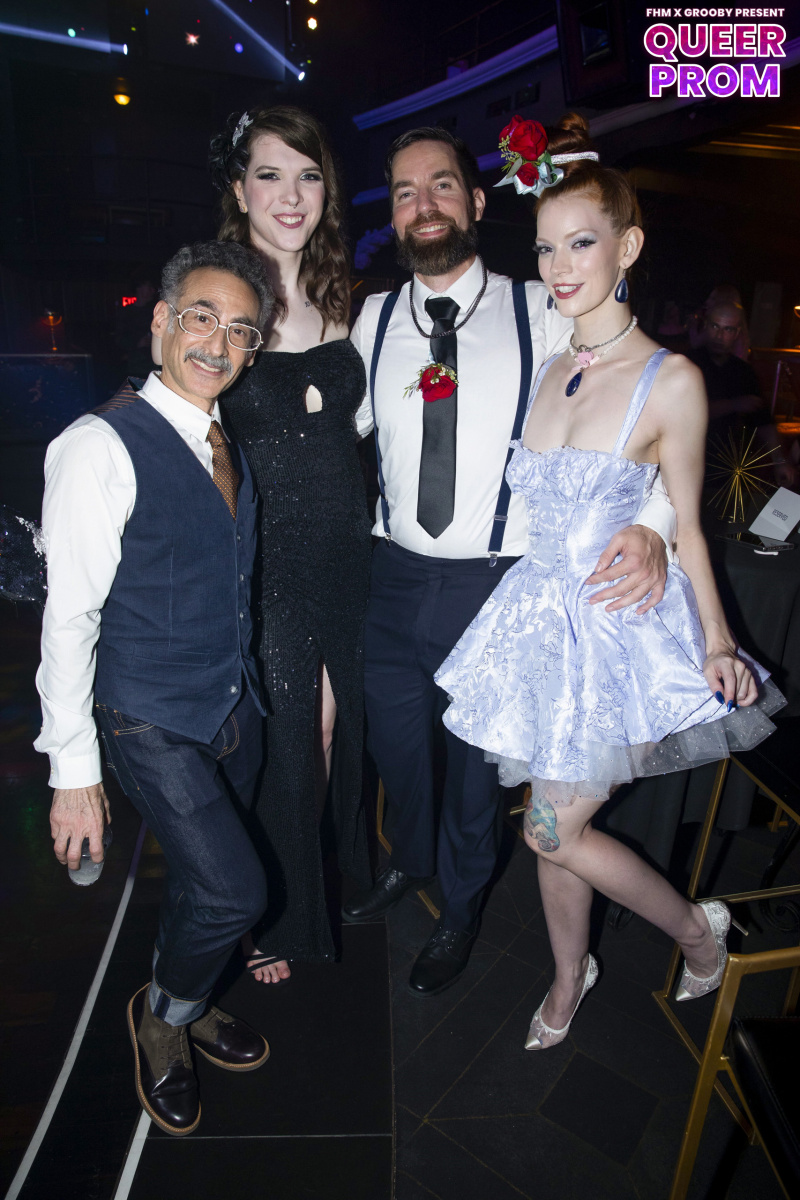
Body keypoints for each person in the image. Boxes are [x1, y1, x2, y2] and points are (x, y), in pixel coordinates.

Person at [435, 113, 784, 1047]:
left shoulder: (671, 379)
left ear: (626, 247)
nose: (559, 265)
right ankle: (569, 976)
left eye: (581, 243)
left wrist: (718, 641)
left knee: (548, 829)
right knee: (552, 827)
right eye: (546, 246)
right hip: (540, 625)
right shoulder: (552, 366)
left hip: (615, 630)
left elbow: (690, 522)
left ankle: (695, 932)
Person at [343, 124, 679, 998]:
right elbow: (328, 433)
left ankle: (460, 906)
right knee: (398, 750)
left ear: (476, 201)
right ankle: (408, 860)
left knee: (472, 774)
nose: (424, 204)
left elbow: (641, 408)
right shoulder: (371, 321)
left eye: (442, 185)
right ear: (393, 212)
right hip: (391, 576)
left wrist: (654, 520)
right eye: (405, 191)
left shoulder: (543, 306)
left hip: (497, 583)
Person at [35, 241, 275, 1134]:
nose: (220, 343)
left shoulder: (219, 435)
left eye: (241, 330)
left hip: (232, 702)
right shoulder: (97, 446)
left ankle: (188, 992)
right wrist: (73, 773)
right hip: (148, 716)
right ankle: (164, 1019)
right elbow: (68, 619)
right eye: (202, 317)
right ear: (163, 322)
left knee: (205, 884)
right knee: (236, 893)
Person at [208, 106, 372, 983]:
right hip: (267, 559)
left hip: (347, 552)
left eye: (308, 175)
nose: (291, 195)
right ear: (239, 190)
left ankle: (301, 887)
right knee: (284, 744)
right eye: (270, 175)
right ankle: (264, 909)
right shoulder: (222, 297)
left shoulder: (343, 294)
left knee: (334, 734)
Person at [690, 300, 795, 489]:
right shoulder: (687, 365)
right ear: (706, 326)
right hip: (687, 461)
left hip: (726, 467)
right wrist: (733, 405)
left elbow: (764, 421)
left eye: (728, 329)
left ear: (737, 333)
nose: (720, 336)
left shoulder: (743, 372)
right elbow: (685, 414)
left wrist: (780, 461)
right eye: (715, 326)